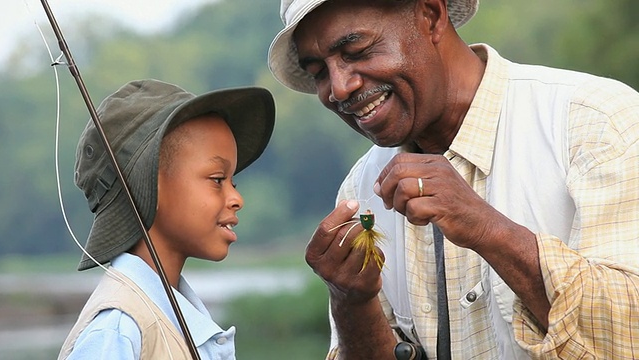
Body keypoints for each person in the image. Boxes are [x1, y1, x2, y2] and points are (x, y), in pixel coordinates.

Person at [268, 0, 639, 359]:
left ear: (430, 15)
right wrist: (351, 302)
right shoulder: (360, 190)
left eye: (358, 51)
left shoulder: (596, 124)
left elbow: (630, 335)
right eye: (319, 72)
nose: (340, 88)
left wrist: (486, 228)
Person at [57, 79, 275, 359]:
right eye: (218, 179)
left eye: (234, 182)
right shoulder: (118, 331)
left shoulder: (175, 314)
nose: (236, 199)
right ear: (148, 186)